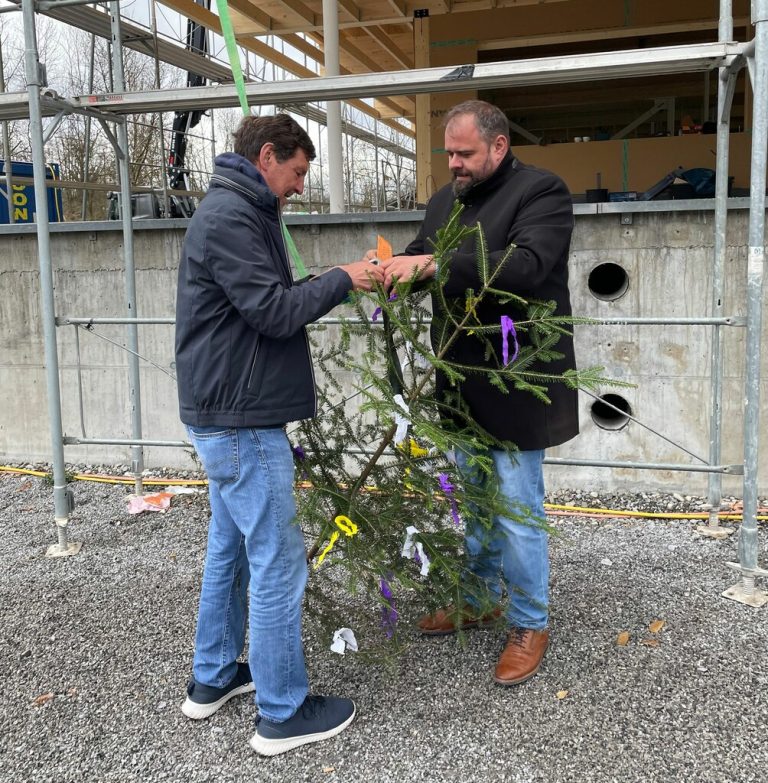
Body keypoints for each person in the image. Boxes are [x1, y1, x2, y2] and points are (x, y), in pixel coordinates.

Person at [174, 114, 383, 756]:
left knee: (232, 549)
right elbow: (272, 311)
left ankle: (212, 678)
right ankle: (283, 712)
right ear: (267, 156)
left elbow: (264, 299)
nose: (299, 186)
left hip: (227, 411)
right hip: (240, 420)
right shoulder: (232, 218)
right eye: (296, 172)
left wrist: (327, 280)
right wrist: (345, 277)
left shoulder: (240, 211)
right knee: (277, 560)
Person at [368, 100, 578, 685]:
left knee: (517, 512)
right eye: (449, 153)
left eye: (464, 153)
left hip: (517, 385)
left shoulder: (542, 193)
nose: (454, 164)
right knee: (476, 507)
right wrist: (390, 270)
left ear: (499, 146)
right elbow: (420, 256)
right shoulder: (445, 201)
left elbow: (527, 266)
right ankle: (480, 597)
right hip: (459, 384)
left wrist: (435, 264)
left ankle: (530, 621)